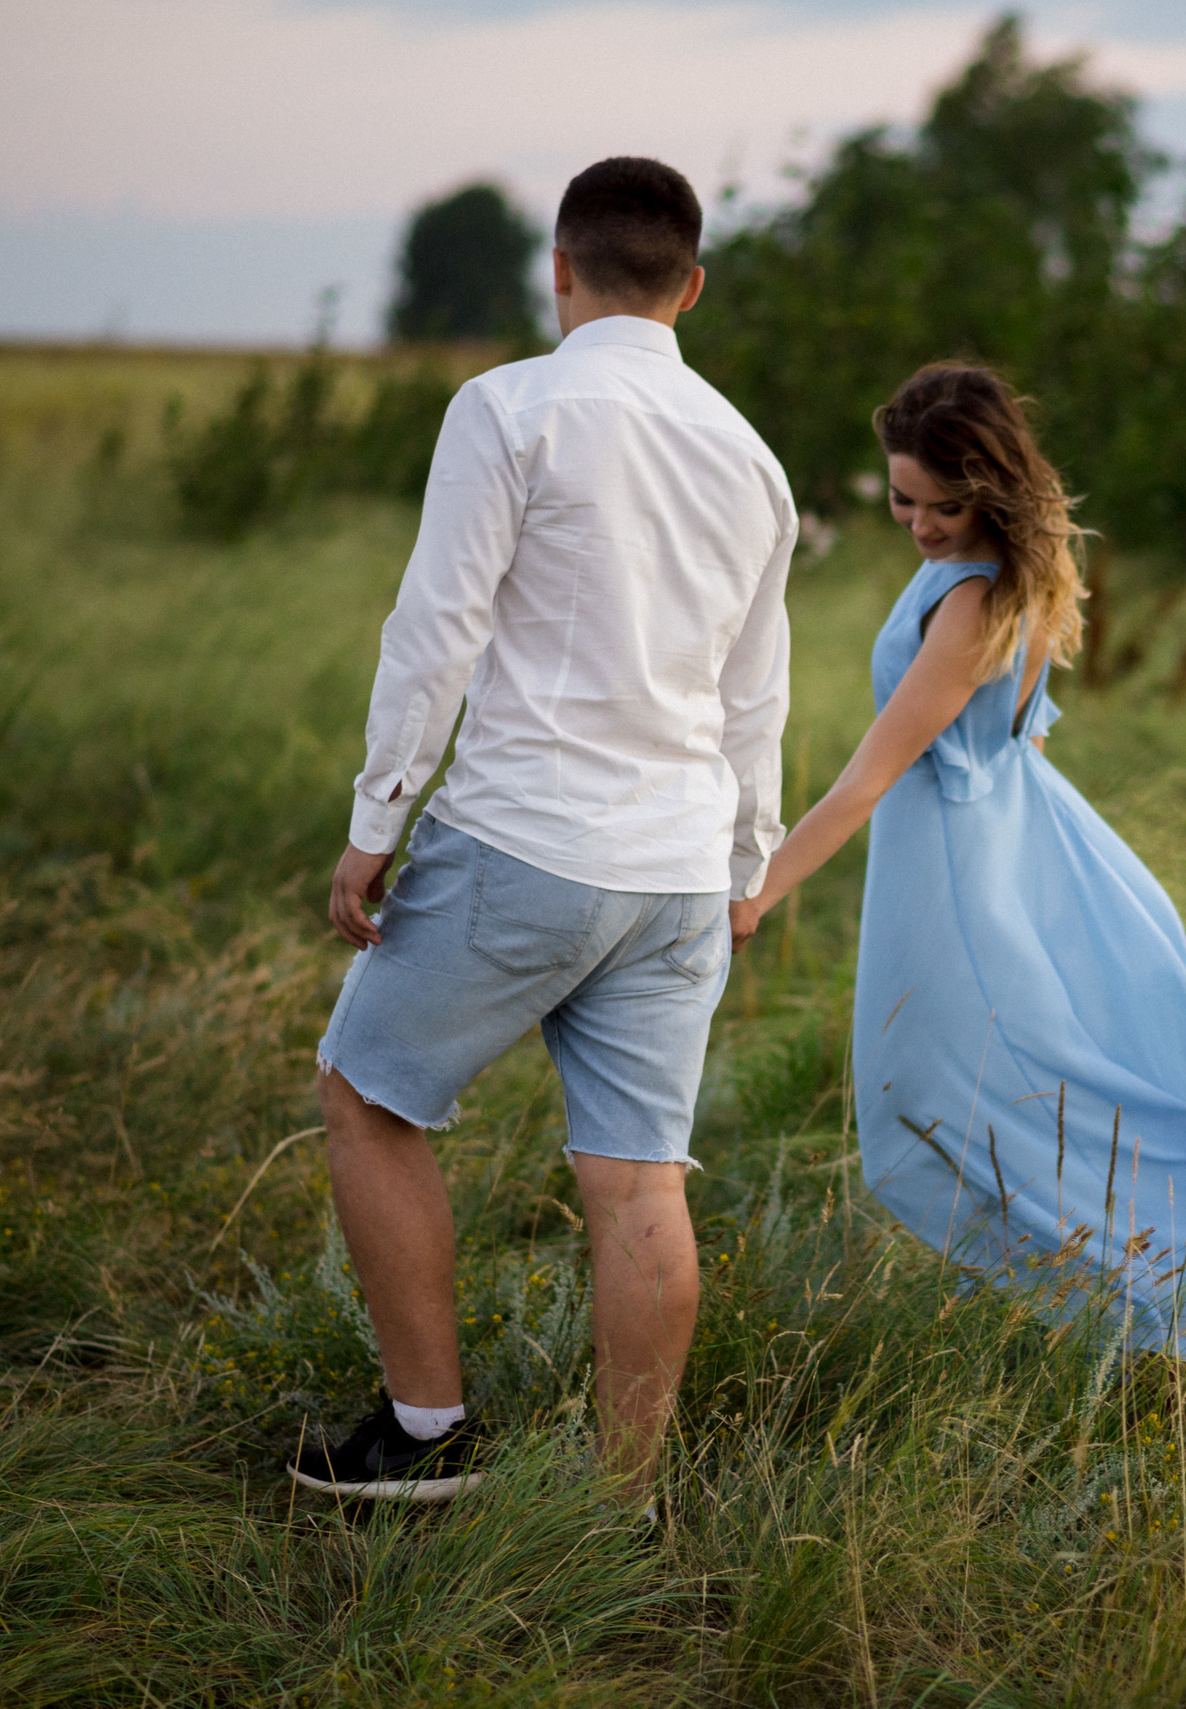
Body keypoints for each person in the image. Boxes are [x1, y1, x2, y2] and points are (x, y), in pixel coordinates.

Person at [730, 365, 1186, 1405]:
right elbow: (1028, 725)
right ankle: (1143, 1307)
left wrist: (754, 892)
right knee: (1013, 1101)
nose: (920, 523)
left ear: (991, 490)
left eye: (944, 502)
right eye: (901, 498)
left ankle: (1184, 1298)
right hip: (1025, 839)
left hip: (974, 875)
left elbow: (866, 779)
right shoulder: (1006, 571)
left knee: (962, 1107)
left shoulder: (971, 601)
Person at [285, 157, 795, 1504]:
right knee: (639, 1183)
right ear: (691, 286)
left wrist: (375, 816)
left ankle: (427, 1434)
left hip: (528, 833)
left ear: (559, 270)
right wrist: (744, 865)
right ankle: (625, 1496)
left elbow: (435, 628)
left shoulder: (509, 406)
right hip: (681, 866)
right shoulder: (753, 457)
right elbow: (759, 691)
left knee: (367, 1092)